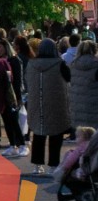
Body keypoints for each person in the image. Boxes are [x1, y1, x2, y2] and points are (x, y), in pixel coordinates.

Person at [26, 38, 72, 175]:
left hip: (37, 103)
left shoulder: (31, 64)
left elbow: (27, 80)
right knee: (56, 134)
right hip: (56, 103)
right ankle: (53, 165)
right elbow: (69, 79)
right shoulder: (60, 64)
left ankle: (37, 165)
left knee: (38, 133)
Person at [69, 40, 98, 139]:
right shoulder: (96, 64)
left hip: (77, 105)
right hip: (94, 104)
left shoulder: (73, 64)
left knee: (82, 138)